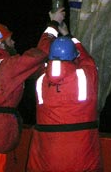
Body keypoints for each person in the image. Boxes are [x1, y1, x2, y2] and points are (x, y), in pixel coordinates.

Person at [0, 8, 65, 172]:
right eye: (10, 39)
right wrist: (53, 25)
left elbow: (30, 69)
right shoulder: (6, 67)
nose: (13, 42)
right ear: (0, 44)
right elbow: (40, 53)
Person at [26, 19, 103, 172]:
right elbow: (87, 60)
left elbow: (41, 51)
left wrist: (52, 25)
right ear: (75, 56)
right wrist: (69, 35)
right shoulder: (86, 75)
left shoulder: (41, 79)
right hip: (82, 157)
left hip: (45, 157)